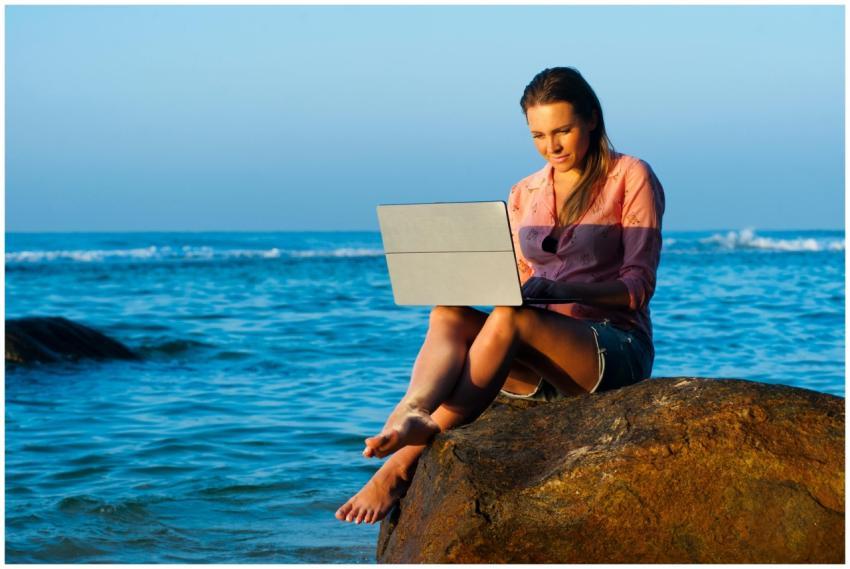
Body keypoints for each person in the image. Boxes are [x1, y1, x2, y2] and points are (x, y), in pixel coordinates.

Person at [335, 66, 665, 524]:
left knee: (511, 319)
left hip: (610, 348)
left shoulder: (631, 176)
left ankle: (401, 465)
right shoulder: (524, 191)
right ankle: (411, 409)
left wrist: (561, 289)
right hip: (534, 357)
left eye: (563, 131)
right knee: (448, 311)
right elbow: (518, 277)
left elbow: (638, 288)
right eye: (538, 135)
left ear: (592, 118)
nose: (552, 147)